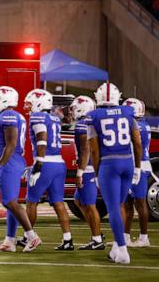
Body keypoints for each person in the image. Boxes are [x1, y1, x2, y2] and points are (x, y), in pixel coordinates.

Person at [87, 83, 142, 264]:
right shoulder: (128, 112)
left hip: (109, 165)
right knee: (119, 205)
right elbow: (137, 142)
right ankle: (117, 248)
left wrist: (96, 173)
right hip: (127, 161)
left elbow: (94, 151)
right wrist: (138, 167)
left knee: (112, 208)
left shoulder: (94, 116)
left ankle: (123, 251)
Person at [0, 86, 42, 253]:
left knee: (10, 202)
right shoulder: (15, 115)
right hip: (13, 160)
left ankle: (32, 236)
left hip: (10, 161)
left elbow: (11, 144)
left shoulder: (8, 115)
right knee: (10, 202)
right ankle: (9, 241)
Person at [24, 89, 74, 250]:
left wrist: (38, 165)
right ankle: (68, 239)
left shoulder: (38, 117)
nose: (29, 106)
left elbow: (42, 140)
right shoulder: (54, 118)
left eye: (31, 103)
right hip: (59, 163)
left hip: (45, 163)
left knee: (31, 202)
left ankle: (28, 237)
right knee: (59, 202)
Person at [70, 95, 105, 250]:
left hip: (88, 169)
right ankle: (97, 232)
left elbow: (86, 150)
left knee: (90, 205)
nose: (72, 112)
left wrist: (80, 172)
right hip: (91, 168)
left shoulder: (82, 125)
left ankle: (97, 239)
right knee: (78, 201)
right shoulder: (91, 123)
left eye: (74, 108)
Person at [122, 98, 151, 247]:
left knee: (140, 203)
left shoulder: (138, 126)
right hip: (131, 165)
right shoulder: (138, 124)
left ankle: (144, 237)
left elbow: (137, 147)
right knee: (128, 203)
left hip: (139, 166)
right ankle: (126, 236)